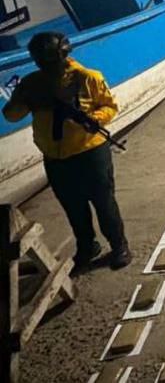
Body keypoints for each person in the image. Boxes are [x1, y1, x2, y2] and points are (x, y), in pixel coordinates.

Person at [2, 32, 130, 272]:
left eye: (50, 59)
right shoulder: (32, 84)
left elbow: (109, 106)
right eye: (41, 60)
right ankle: (87, 248)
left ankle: (119, 246)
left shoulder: (87, 77)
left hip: (90, 153)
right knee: (73, 208)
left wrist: (93, 119)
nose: (46, 65)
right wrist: (22, 96)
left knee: (104, 203)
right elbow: (12, 115)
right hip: (56, 159)